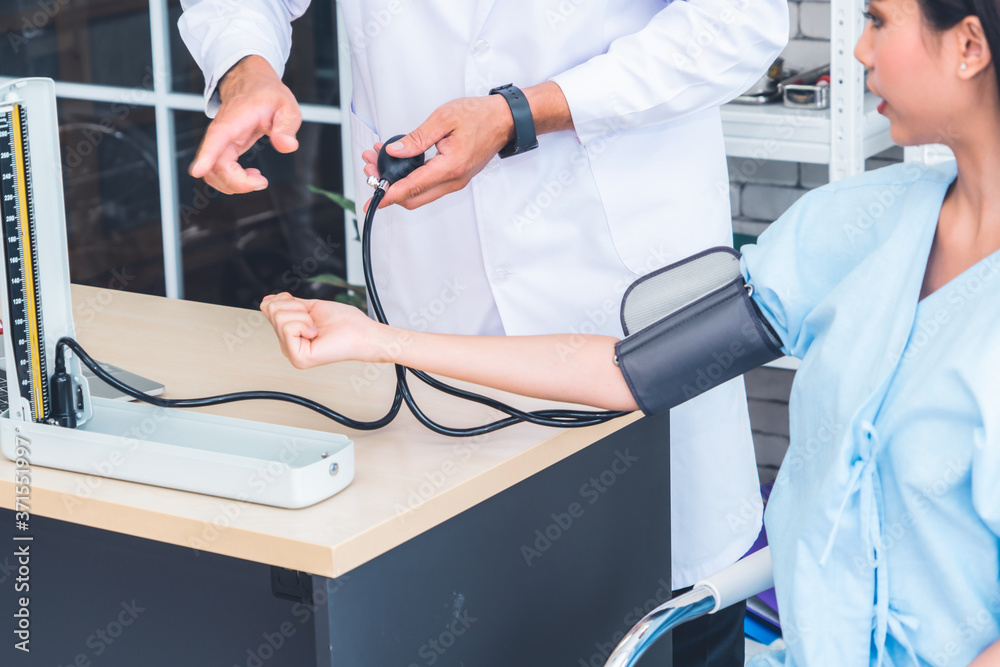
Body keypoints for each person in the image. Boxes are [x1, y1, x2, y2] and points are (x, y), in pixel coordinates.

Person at [259, 0, 1000, 662]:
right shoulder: (852, 230)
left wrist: (519, 112)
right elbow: (629, 370)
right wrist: (378, 339)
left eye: (876, 21)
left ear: (968, 47)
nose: (858, 53)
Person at [179, 2, 789, 663]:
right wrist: (246, 69)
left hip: (622, 275)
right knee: (468, 606)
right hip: (440, 288)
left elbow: (741, 22)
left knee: (664, 606)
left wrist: (521, 112)